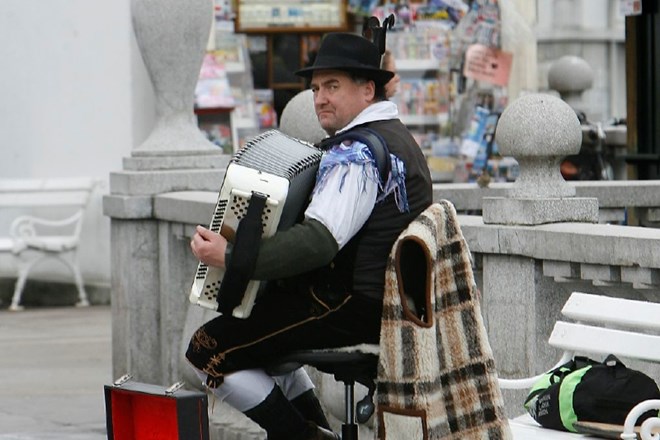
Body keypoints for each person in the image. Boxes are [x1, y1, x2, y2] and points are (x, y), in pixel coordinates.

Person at [186, 30, 433, 440]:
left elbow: (319, 241)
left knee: (207, 350)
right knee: (261, 343)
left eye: (333, 86)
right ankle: (316, 429)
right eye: (317, 87)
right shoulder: (397, 137)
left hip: (348, 307)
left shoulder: (356, 154)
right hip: (383, 304)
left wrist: (232, 258)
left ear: (368, 89)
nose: (319, 98)